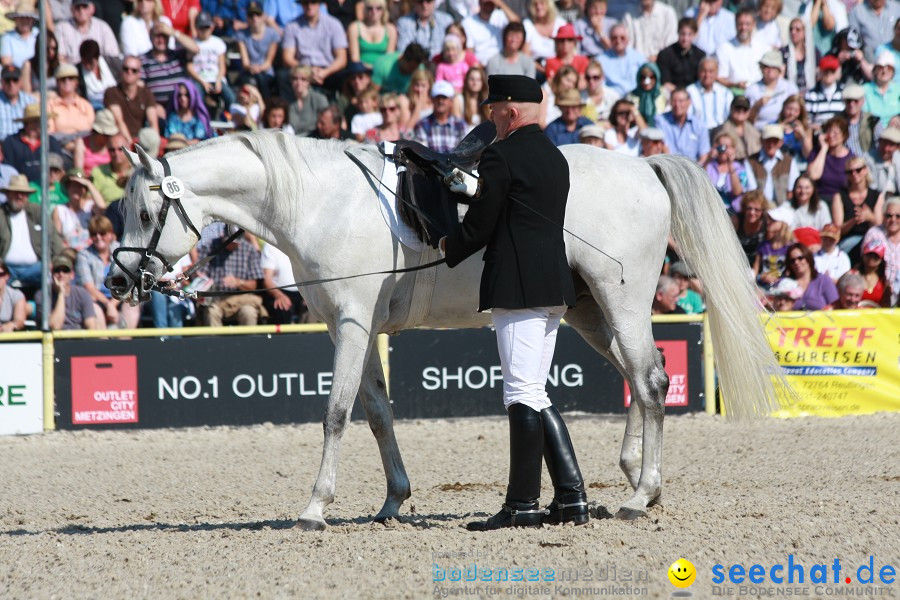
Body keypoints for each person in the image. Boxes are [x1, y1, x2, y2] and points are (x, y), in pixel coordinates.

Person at [440, 74, 587, 531]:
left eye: (493, 109)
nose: (489, 116)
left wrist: (449, 245)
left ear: (512, 111)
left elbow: (481, 224)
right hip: (553, 287)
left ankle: (522, 504)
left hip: (518, 287)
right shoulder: (555, 157)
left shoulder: (501, 154)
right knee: (535, 392)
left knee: (520, 394)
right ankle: (571, 498)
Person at [76, 215, 141, 328]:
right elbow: (89, 287)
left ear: (110, 234)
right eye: (94, 234)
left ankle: (125, 344)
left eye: (102, 233)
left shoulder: (121, 251)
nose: (98, 237)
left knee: (132, 306)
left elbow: (128, 282)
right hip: (97, 300)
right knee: (95, 311)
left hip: (120, 298)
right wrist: (108, 305)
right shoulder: (83, 255)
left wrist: (113, 304)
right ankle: (102, 344)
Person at [0, 174, 63, 288]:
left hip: (36, 268)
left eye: (23, 193)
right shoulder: (1, 214)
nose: (20, 196)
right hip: (7, 268)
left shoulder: (37, 211)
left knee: (50, 272)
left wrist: (54, 261)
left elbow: (55, 240)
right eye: (16, 192)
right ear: (8, 194)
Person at [195, 226, 266, 326]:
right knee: (211, 311)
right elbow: (200, 275)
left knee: (249, 312)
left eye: (235, 242)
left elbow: (254, 285)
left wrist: (238, 282)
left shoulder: (249, 250)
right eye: (229, 241)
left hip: (242, 299)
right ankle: (214, 341)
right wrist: (200, 279)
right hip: (216, 298)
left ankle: (249, 341)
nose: (231, 244)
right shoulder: (209, 247)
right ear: (223, 236)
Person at [281, 0, 350, 92]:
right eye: (306, 3)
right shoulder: (292, 26)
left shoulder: (334, 24)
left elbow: (342, 59)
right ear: (301, 4)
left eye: (313, 2)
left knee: (344, 76)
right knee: (282, 76)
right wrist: (307, 70)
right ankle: (290, 105)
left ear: (319, 4)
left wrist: (325, 72)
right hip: (302, 68)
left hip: (328, 70)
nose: (310, 6)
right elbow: (287, 58)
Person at [831, 155, 884, 258]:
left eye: (858, 170)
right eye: (850, 172)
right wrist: (854, 220)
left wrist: (869, 217)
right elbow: (837, 230)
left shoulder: (876, 196)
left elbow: (880, 225)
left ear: (865, 170)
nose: (854, 174)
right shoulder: (839, 196)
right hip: (848, 240)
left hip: (872, 240)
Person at [140, 21, 200, 107]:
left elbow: (195, 49)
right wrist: (153, 105)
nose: (161, 40)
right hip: (156, 108)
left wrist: (173, 32)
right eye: (157, 36)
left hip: (179, 108)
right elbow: (141, 88)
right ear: (151, 37)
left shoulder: (178, 55)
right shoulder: (143, 59)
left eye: (164, 36)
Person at [35, 253, 99, 330]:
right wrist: (61, 293)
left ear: (72, 275)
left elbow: (91, 326)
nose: (61, 274)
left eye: (65, 271)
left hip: (78, 339)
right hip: (53, 340)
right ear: (51, 274)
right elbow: (55, 326)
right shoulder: (42, 295)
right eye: (57, 270)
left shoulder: (82, 294)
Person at [2, 103, 64, 182]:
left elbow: (60, 169)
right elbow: (8, 170)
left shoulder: (51, 142)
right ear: (30, 122)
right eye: (42, 121)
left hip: (47, 188)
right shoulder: (11, 142)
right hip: (20, 188)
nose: (47, 124)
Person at [104, 54, 159, 141]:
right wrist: (130, 144)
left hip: (142, 140)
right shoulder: (112, 92)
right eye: (126, 69)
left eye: (134, 70)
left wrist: (154, 143)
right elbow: (119, 121)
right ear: (121, 70)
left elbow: (153, 123)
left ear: (139, 74)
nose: (129, 72)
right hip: (120, 140)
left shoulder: (146, 93)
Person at [188, 11, 234, 114]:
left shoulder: (218, 42)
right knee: (197, 96)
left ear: (212, 27)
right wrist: (203, 82)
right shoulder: (192, 43)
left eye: (206, 27)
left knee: (231, 98)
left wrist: (218, 81)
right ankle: (200, 120)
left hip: (216, 78)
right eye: (201, 27)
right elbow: (189, 66)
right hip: (199, 79)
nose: (204, 30)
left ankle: (232, 121)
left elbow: (222, 67)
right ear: (196, 28)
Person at [748, 124, 800, 206]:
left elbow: (792, 190)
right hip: (759, 208)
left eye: (775, 141)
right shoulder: (751, 161)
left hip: (783, 207)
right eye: (768, 140)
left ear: (781, 142)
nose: (771, 144)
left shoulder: (789, 161)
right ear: (761, 141)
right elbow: (751, 189)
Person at [54, 167, 106, 251]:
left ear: (85, 190)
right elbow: (56, 238)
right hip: (68, 253)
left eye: (80, 186)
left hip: (90, 252)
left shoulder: (91, 207)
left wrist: (88, 183)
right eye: (73, 185)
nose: (76, 189)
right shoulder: (60, 210)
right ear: (67, 188)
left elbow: (102, 206)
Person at [715, 9, 768, 91]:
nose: (743, 27)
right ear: (735, 25)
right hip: (734, 92)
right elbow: (720, 78)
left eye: (747, 24)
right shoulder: (724, 48)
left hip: (759, 92)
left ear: (754, 24)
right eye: (740, 24)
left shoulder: (763, 48)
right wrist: (735, 85)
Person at [235, 1, 279, 97]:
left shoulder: (273, 34)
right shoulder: (241, 35)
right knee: (249, 82)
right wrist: (251, 67)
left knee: (261, 79)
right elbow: (245, 62)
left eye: (258, 15)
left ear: (264, 16)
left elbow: (268, 63)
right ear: (247, 17)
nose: (254, 18)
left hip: (266, 72)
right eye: (251, 15)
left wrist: (259, 68)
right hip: (248, 72)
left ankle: (265, 105)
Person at [861, 196, 900, 304]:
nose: (893, 220)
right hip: (879, 289)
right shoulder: (875, 234)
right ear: (883, 217)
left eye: (898, 216)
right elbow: (866, 261)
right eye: (889, 215)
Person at [746, 50, 799, 129]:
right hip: (760, 131)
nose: (770, 70)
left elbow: (798, 113)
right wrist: (757, 106)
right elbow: (746, 120)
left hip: (786, 130)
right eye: (766, 66)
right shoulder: (752, 90)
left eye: (774, 67)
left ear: (779, 70)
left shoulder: (790, 88)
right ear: (761, 68)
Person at [55, 0, 119, 64]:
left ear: (92, 9)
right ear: (71, 9)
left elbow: (113, 57)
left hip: (98, 69)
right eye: (78, 7)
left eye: (84, 7)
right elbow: (60, 57)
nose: (81, 11)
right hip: (73, 70)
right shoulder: (62, 28)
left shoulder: (103, 27)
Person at [655, 87, 709, 163]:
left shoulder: (700, 125)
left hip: (693, 170)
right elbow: (664, 148)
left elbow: (704, 155)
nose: (677, 104)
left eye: (681, 101)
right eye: (674, 101)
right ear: (670, 102)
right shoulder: (660, 120)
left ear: (689, 102)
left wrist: (695, 172)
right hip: (669, 166)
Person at [809, 115, 855, 200]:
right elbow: (813, 175)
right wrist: (823, 149)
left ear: (844, 136)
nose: (831, 135)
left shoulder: (851, 158)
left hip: (841, 200)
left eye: (835, 133)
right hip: (819, 199)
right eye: (828, 132)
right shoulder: (817, 152)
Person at [261, 242, 308, 324]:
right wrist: (279, 296)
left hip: (303, 293)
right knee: (282, 308)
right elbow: (267, 280)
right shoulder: (270, 246)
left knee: (313, 310)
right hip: (279, 292)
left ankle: (309, 336)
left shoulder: (303, 244)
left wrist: (309, 296)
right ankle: (286, 337)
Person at [412, 80, 466, 152]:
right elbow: (422, 154)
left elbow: (464, 152)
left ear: (451, 101)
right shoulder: (423, 124)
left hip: (454, 163)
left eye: (444, 98)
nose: (440, 101)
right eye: (437, 98)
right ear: (432, 100)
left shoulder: (460, 124)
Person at [783, 242, 839, 309]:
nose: (796, 262)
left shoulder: (823, 281)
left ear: (808, 258)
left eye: (800, 258)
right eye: (792, 260)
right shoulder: (785, 283)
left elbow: (836, 305)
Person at [462, 0, 517, 67]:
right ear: (479, 2)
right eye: (486, 3)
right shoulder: (468, 22)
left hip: (502, 63)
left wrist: (501, 4)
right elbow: (469, 51)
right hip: (481, 66)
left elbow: (517, 24)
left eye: (491, 3)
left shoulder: (500, 16)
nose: (488, 6)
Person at [657, 17, 705, 92]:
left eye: (689, 34)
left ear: (695, 35)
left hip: (695, 93)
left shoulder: (700, 55)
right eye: (683, 34)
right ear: (678, 32)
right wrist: (681, 93)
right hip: (672, 93)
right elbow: (665, 82)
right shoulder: (665, 54)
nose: (685, 38)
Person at [597, 23, 645, 96]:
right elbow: (600, 85)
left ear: (628, 39)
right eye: (614, 38)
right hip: (612, 99)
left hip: (636, 96)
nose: (618, 41)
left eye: (622, 37)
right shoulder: (600, 60)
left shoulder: (638, 57)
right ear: (610, 39)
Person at [686, 57, 732, 132]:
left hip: (720, 132)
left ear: (717, 73)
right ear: (698, 72)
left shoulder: (726, 93)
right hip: (697, 132)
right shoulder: (689, 92)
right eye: (704, 71)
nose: (707, 75)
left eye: (711, 71)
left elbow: (729, 118)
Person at [347, 0, 396, 69]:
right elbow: (355, 59)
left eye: (378, 8)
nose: (374, 11)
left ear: (384, 10)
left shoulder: (391, 29)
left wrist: (376, 69)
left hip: (381, 71)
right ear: (365, 10)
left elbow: (388, 59)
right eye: (370, 8)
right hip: (360, 71)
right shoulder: (354, 27)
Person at [705, 131, 747, 208]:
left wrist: (730, 165)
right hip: (710, 207)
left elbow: (737, 192)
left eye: (726, 147)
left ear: (734, 149)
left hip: (731, 211)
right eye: (720, 146)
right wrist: (708, 158)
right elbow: (699, 179)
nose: (723, 150)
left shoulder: (739, 168)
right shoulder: (709, 165)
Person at [712, 96, 761, 161]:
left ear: (748, 112)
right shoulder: (720, 130)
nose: (741, 111)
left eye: (745, 109)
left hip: (753, 164)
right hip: (731, 165)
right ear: (731, 108)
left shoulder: (755, 131)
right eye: (738, 108)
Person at [287, 65, 330, 137]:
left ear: (309, 81)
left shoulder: (319, 99)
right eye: (295, 79)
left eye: (303, 79)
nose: (298, 83)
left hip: (315, 140)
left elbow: (326, 125)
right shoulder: (287, 102)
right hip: (293, 141)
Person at [731, 189, 770, 268]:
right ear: (744, 208)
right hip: (737, 264)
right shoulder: (736, 221)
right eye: (749, 208)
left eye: (757, 209)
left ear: (762, 211)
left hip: (758, 266)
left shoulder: (767, 224)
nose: (752, 212)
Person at [523, 0, 566, 69]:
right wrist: (544, 70)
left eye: (542, 3)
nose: (539, 7)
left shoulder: (561, 24)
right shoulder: (528, 24)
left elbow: (568, 53)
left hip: (558, 68)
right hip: (536, 69)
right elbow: (526, 57)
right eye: (535, 4)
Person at [804, 55, 845, 126]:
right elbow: (807, 121)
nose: (828, 74)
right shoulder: (811, 95)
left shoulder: (844, 92)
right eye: (826, 71)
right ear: (820, 71)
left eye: (832, 71)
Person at [91, 133, 132, 203]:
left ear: (129, 149)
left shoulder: (139, 170)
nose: (116, 153)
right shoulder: (97, 172)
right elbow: (90, 200)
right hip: (107, 212)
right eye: (112, 150)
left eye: (120, 149)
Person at [850, 237, 893, 305]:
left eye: (876, 256)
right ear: (863, 255)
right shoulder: (852, 275)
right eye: (869, 254)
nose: (871, 258)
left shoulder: (884, 282)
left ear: (881, 259)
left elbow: (886, 306)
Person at [841, 83, 878, 160]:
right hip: (845, 163)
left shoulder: (872, 120)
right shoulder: (838, 121)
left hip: (868, 162)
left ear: (862, 101)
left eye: (855, 101)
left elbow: (879, 144)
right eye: (848, 101)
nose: (852, 104)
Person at [755, 216, 792, 288]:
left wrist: (778, 280)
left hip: (782, 287)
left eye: (773, 220)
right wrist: (761, 277)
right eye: (769, 219)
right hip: (762, 285)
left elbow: (790, 274)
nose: (768, 222)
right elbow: (755, 270)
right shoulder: (763, 245)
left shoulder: (789, 248)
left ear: (783, 223)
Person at [0, 64, 34, 141]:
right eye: (7, 80)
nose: (11, 84)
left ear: (20, 81)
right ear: (2, 82)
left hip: (24, 145)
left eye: (15, 80)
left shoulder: (30, 101)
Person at [863, 50, 900, 122]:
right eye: (881, 67)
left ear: (893, 71)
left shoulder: (898, 90)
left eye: (889, 68)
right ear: (875, 70)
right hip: (872, 129)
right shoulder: (865, 90)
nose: (884, 71)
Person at [627, 62, 666, 127]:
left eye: (651, 77)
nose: (646, 81)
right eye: (643, 77)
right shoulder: (631, 96)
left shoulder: (664, 94)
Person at [783, 18, 816, 94]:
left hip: (810, 94)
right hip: (790, 94)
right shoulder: (784, 52)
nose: (793, 32)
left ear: (805, 32)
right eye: (791, 29)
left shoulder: (813, 53)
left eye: (798, 29)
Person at [776, 94, 814, 161]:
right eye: (789, 109)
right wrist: (779, 129)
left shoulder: (806, 129)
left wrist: (803, 136)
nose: (792, 113)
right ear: (784, 108)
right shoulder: (774, 125)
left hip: (799, 164)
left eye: (796, 111)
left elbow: (808, 155)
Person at [454, 65, 490, 131]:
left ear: (483, 82)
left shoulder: (487, 101)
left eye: (478, 80)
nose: (475, 83)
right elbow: (456, 126)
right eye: (472, 79)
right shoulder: (459, 100)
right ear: (466, 81)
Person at [0, 257, 26, 331]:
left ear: (7, 276)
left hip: (8, 338)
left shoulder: (17, 295)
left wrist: (12, 325)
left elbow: (19, 321)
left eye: (1, 274)